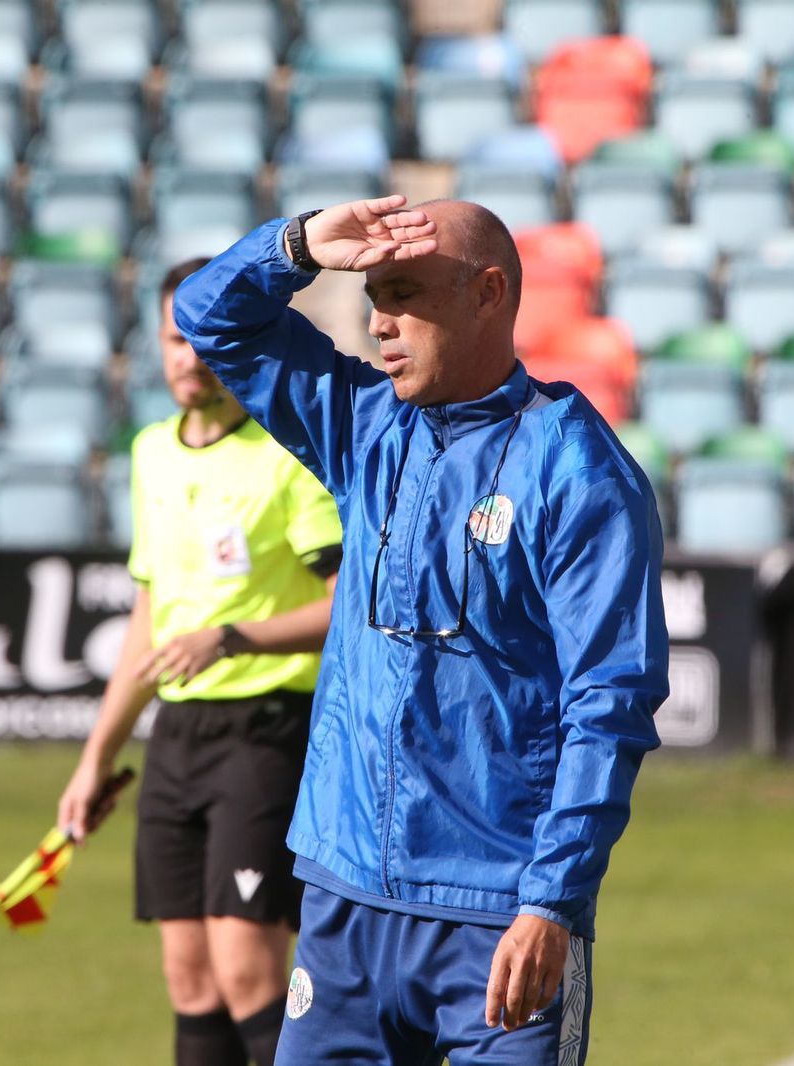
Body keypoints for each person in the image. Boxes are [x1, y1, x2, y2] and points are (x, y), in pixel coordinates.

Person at [172, 198, 669, 1065]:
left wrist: (551, 902)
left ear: (488, 293)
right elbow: (209, 317)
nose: (378, 323)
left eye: (404, 295)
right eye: (373, 298)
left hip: (500, 916)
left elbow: (609, 704)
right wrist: (297, 245)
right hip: (344, 897)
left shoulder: (578, 470)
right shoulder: (363, 425)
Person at [58, 258, 343, 1066]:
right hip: (176, 738)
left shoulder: (284, 456)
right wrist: (96, 757)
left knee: (246, 971)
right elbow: (149, 618)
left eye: (203, 340)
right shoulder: (151, 452)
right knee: (189, 979)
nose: (188, 358)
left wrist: (231, 638)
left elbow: (348, 607)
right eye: (173, 341)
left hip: (266, 731)